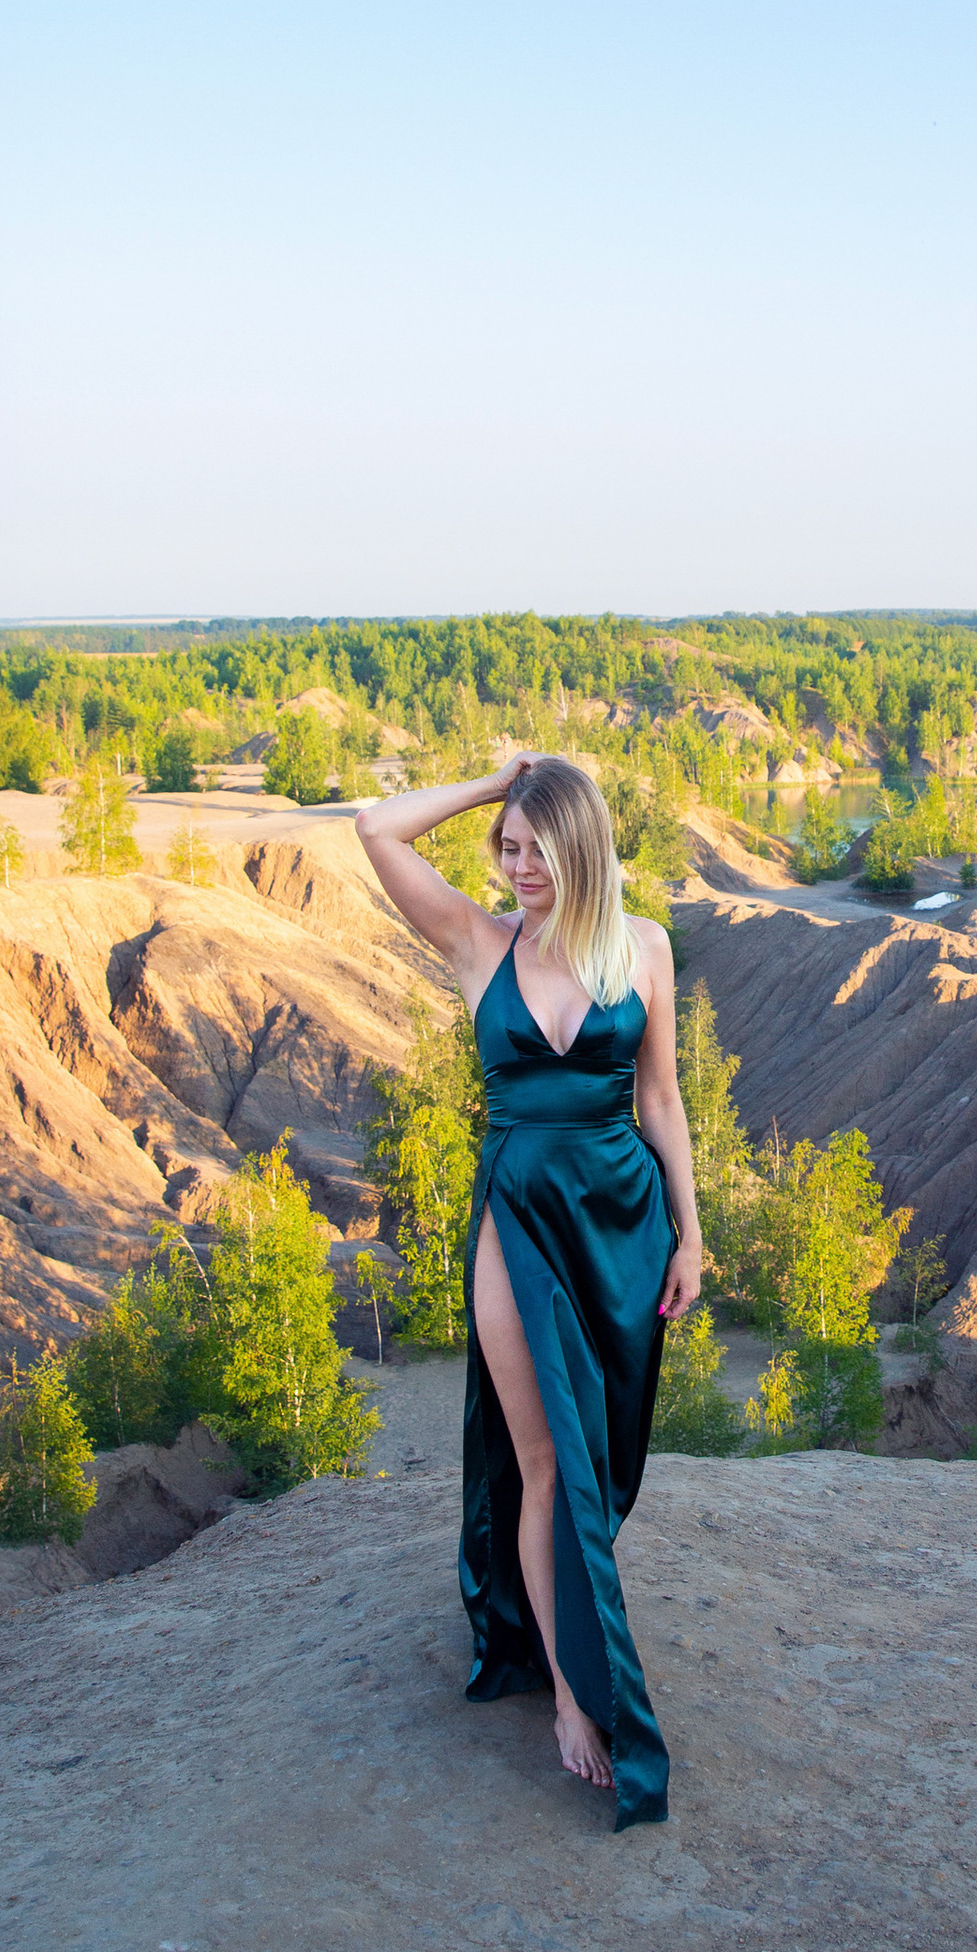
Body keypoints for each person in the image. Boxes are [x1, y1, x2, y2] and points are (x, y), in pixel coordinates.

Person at [355, 753, 698, 1828]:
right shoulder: (476, 941)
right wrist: (495, 783)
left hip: (622, 1224)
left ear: (580, 844)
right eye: (505, 850)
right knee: (545, 1464)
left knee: (604, 1458)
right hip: (515, 1217)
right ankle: (570, 1699)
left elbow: (662, 1099)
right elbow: (375, 830)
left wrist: (692, 1236)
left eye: (535, 848)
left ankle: (559, 1618)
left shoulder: (643, 949)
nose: (515, 869)